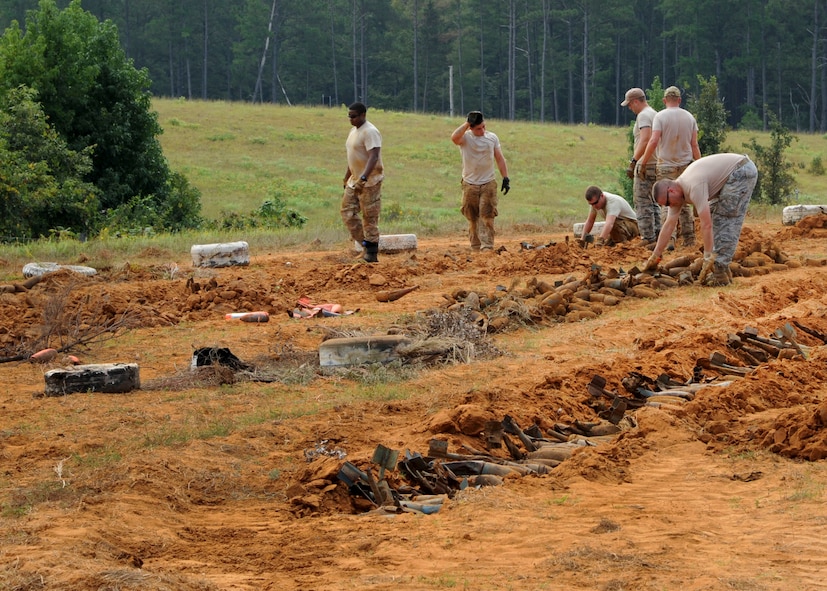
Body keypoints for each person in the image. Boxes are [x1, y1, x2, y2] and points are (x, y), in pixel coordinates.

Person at [644, 153, 758, 286]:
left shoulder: (693, 186)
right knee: (713, 211)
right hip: (733, 173)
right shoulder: (677, 195)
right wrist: (655, 256)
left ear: (671, 191)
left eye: (668, 203)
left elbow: (706, 224)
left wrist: (707, 256)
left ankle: (720, 271)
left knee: (725, 219)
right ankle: (722, 267)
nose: (670, 207)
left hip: (741, 171)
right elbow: (669, 225)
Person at [636, 85, 702, 248]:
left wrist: (643, 162)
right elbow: (694, 145)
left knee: (667, 202)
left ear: (664, 100)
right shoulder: (689, 117)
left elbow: (653, 140)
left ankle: (669, 239)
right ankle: (689, 240)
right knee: (685, 202)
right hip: (686, 166)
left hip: (665, 165)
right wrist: (700, 164)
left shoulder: (660, 117)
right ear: (679, 100)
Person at [451, 110, 510, 251]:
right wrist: (467, 123)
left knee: (487, 216)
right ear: (471, 127)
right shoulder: (465, 138)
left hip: (488, 183)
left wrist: (505, 177)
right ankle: (476, 247)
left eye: (484, 126)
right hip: (470, 185)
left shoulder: (492, 138)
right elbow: (454, 138)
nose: (482, 130)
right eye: (478, 128)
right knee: (472, 218)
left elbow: (500, 159)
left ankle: (487, 247)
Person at [341, 101, 384, 263]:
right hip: (354, 180)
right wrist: (347, 176)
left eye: (354, 116)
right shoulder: (354, 131)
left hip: (370, 181)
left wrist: (364, 178)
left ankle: (371, 253)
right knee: (347, 213)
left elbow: (373, 156)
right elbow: (352, 156)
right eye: (349, 116)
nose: (351, 119)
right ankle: (365, 244)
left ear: (363, 115)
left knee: (369, 217)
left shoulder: (370, 132)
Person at [621, 87, 660, 245]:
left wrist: (634, 161)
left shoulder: (643, 116)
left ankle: (648, 238)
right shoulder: (655, 113)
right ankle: (658, 234)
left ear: (636, 101)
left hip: (646, 163)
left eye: (630, 105)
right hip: (656, 163)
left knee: (642, 202)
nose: (630, 108)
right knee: (654, 201)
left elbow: (645, 139)